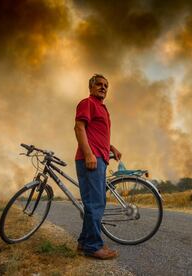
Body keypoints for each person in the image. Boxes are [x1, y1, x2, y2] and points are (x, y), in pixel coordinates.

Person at [74, 74, 122, 260]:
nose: (103, 88)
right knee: (96, 203)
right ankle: (94, 247)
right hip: (91, 159)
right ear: (91, 87)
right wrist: (88, 154)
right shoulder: (87, 103)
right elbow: (79, 128)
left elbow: (96, 134)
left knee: (92, 204)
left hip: (99, 158)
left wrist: (111, 147)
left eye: (106, 86)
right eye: (99, 85)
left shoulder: (102, 108)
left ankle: (83, 243)